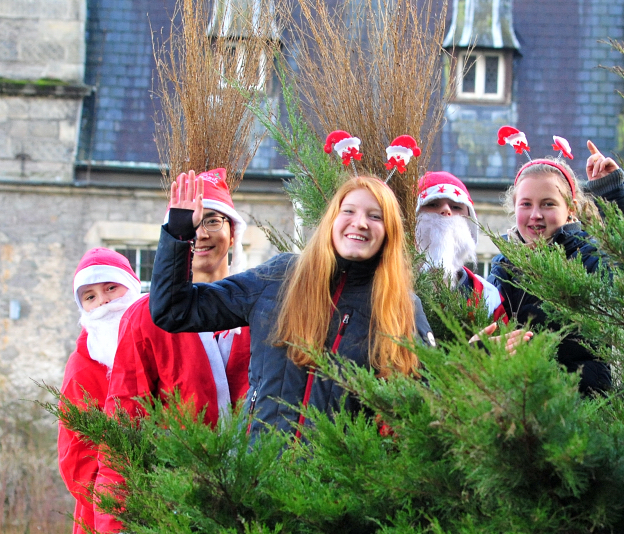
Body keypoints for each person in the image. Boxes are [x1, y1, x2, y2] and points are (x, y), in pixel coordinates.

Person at [149, 173, 433, 437]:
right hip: (259, 478)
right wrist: (178, 234)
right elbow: (174, 310)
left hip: (340, 486)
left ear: (389, 233)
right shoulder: (278, 277)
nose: (360, 223)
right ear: (332, 220)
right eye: (349, 211)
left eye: (375, 216)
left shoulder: (402, 308)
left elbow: (427, 411)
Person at [95, 168, 251, 533]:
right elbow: (124, 424)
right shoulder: (145, 318)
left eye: (213, 219)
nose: (201, 232)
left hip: (258, 506)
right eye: (190, 221)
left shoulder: (262, 308)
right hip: (175, 508)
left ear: (232, 231)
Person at [489, 140, 624, 394]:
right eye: (526, 204)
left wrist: (613, 193)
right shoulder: (502, 266)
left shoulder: (589, 256)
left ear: (570, 209)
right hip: (519, 405)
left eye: (548, 204)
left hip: (582, 405)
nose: (535, 214)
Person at [58, 248, 141, 534]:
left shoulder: (159, 343)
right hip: (105, 514)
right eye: (90, 296)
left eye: (110, 288)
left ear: (131, 287)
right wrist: (123, 504)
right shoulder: (81, 367)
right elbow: (76, 458)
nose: (104, 301)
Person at [415, 171, 507, 323]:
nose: (446, 210)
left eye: (456, 206)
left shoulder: (488, 297)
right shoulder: (388, 284)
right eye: (432, 204)